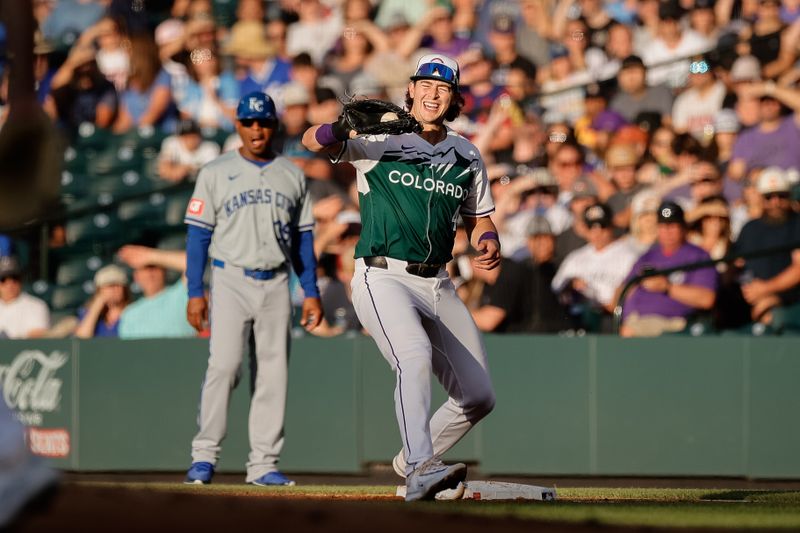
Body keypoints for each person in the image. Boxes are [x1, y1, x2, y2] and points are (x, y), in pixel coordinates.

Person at [302, 53, 499, 501]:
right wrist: (341, 129)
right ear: (410, 90)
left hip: (439, 281)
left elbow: (480, 219)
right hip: (382, 274)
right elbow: (310, 141)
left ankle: (412, 453)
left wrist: (488, 239)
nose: (433, 93)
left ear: (454, 99)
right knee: (412, 358)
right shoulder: (376, 138)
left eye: (443, 88)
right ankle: (419, 467)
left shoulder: (467, 153)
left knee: (479, 395)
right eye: (425, 84)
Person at [183, 91, 322, 487]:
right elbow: (197, 237)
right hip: (230, 278)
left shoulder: (291, 174)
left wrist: (309, 289)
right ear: (238, 125)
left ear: (274, 126)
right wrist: (196, 290)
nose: (256, 129)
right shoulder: (214, 171)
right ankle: (204, 456)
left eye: (263, 122)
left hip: (277, 280)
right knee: (224, 366)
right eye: (249, 122)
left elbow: (303, 240)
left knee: (273, 374)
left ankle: (263, 463)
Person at [620, 201, 718, 337]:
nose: (667, 231)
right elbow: (622, 292)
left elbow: (707, 299)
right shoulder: (648, 256)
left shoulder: (698, 255)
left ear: (683, 228)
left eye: (672, 225)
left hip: (674, 324)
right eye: (663, 226)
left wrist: (667, 287)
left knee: (631, 332)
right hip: (634, 319)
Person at [733, 167, 800, 333]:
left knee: (775, 317)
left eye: (781, 196)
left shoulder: (797, 224)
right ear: (761, 198)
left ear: (789, 196)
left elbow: (799, 267)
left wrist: (766, 290)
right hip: (750, 300)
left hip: (790, 301)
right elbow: (738, 266)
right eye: (769, 197)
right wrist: (749, 290)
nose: (775, 202)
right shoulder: (750, 228)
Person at [117, 245, 197, 339]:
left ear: (164, 271)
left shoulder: (180, 293)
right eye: (145, 268)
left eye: (154, 267)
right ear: (136, 276)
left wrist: (150, 256)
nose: (150, 274)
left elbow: (194, 264)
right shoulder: (129, 314)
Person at [74, 264, 131, 338]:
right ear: (99, 290)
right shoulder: (90, 314)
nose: (113, 290)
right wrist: (97, 304)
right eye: (108, 286)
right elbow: (82, 337)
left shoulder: (133, 312)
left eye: (117, 285)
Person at [0, 256, 49, 339]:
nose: (10, 284)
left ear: (21, 280)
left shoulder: (36, 305)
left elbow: (38, 338)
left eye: (14, 278)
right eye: (3, 279)